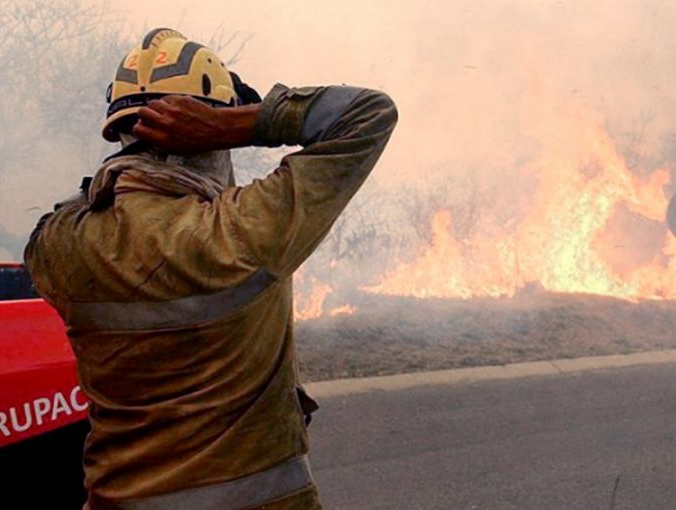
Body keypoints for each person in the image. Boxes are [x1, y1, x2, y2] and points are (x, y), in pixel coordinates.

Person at [24, 27, 397, 510]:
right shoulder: (241, 232)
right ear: (203, 136)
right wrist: (242, 125)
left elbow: (76, 209)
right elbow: (369, 113)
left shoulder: (59, 242)